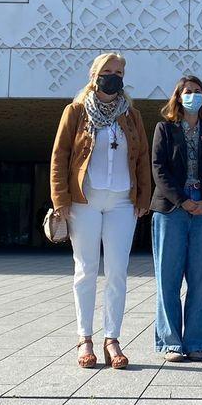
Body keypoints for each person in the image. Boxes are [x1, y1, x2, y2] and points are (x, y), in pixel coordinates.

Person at [51, 52, 150, 370]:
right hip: (84, 201)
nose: (113, 76)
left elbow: (142, 158)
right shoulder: (76, 111)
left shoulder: (131, 115)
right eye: (107, 70)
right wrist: (60, 200)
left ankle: (112, 339)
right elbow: (60, 156)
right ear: (94, 74)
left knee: (118, 272)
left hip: (122, 201)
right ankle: (85, 339)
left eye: (118, 71)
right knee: (86, 270)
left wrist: (143, 197)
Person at [151, 75, 202, 363]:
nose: (192, 95)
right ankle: (170, 342)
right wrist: (182, 200)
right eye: (187, 91)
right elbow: (159, 169)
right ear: (177, 97)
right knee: (168, 279)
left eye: (197, 92)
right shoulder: (165, 129)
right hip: (171, 210)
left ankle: (196, 341)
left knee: (201, 279)